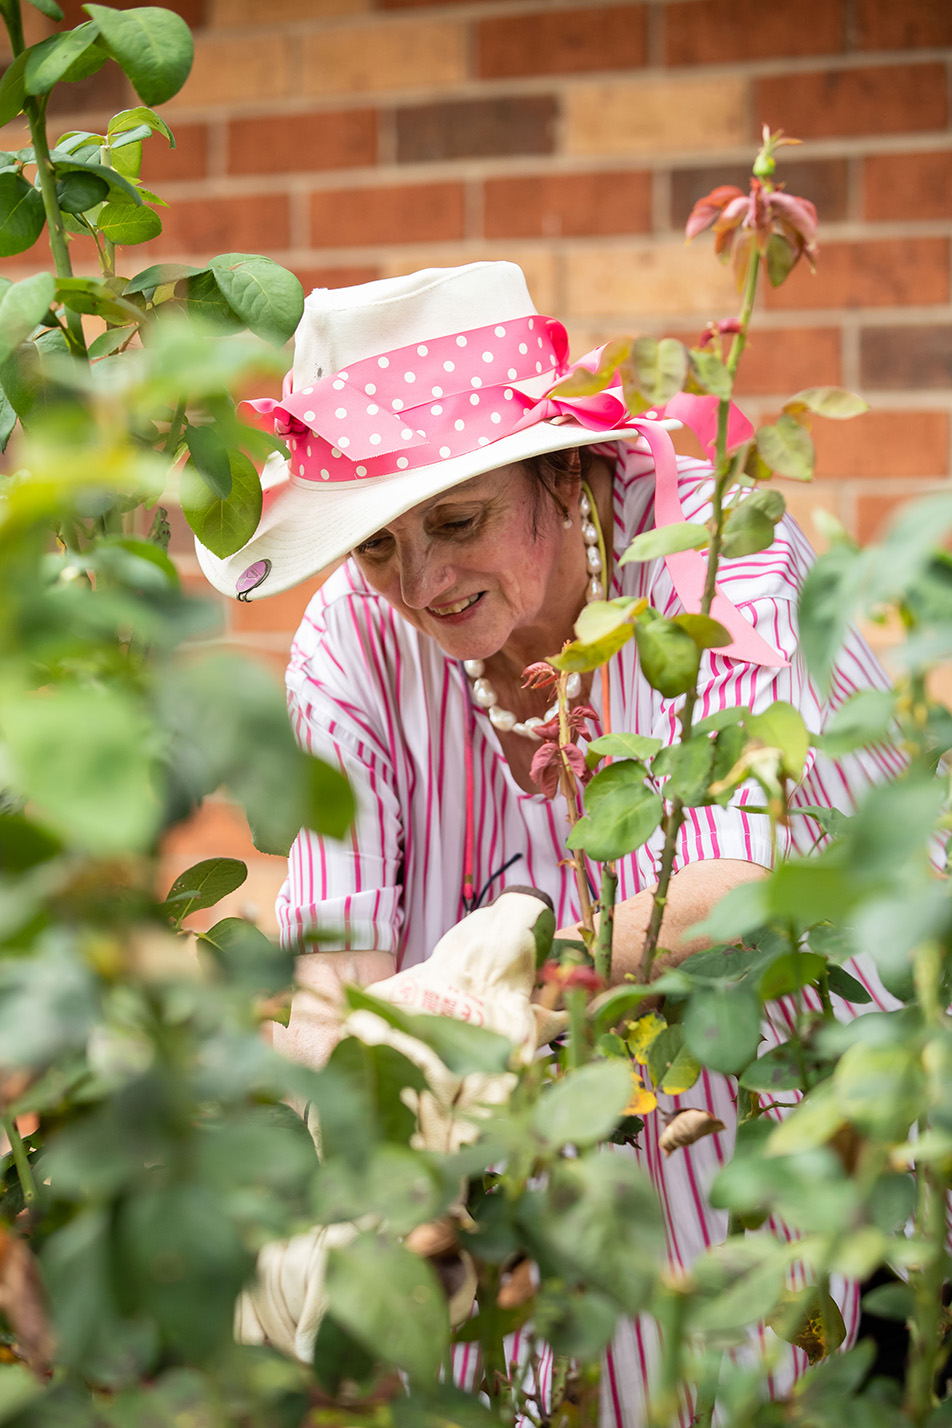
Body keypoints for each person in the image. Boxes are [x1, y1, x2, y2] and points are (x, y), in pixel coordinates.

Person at [196, 261, 902, 1425]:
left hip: (769, 1147)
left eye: (457, 522)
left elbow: (732, 884)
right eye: (375, 544)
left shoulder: (712, 561)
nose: (419, 582)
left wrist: (496, 994)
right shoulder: (350, 645)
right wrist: (363, 1181)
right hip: (511, 1195)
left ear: (560, 470)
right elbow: (338, 966)